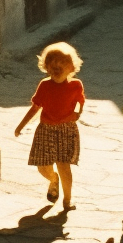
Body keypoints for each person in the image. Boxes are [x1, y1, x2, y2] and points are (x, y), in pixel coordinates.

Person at [14, 41, 85, 209]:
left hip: (66, 129)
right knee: (42, 166)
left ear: (71, 68)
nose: (56, 69)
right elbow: (35, 107)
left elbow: (80, 102)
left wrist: (78, 113)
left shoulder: (76, 85)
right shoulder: (45, 85)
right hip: (46, 129)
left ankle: (67, 200)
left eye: (61, 65)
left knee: (64, 165)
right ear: (46, 67)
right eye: (52, 66)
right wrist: (20, 126)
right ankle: (53, 179)